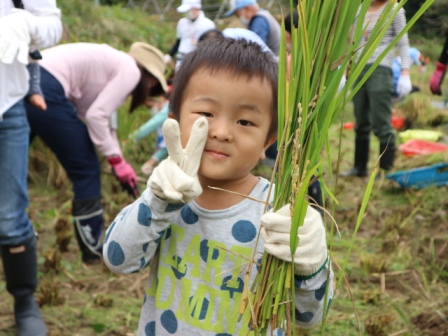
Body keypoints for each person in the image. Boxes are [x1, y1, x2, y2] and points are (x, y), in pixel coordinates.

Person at [103, 37, 333, 335]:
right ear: (173, 122)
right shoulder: (165, 194)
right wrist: (157, 203)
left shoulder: (279, 213)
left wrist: (311, 264)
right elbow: (119, 260)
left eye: (245, 122)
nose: (222, 132)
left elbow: (308, 317)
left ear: (268, 141)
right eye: (205, 114)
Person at [25, 42, 168, 264]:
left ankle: (14, 231)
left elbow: (103, 123)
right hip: (45, 87)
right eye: (152, 85)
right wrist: (117, 161)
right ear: (147, 75)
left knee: (11, 165)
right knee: (86, 168)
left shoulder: (114, 63)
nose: (149, 90)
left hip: (25, 78)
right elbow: (95, 116)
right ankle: (92, 249)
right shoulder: (129, 69)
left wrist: (119, 160)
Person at [0, 1, 62, 335]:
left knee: (10, 216)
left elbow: (52, 25)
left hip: (5, 105)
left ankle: (24, 300)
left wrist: (24, 22)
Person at [340, 0, 413, 178]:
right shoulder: (358, 10)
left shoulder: (394, 10)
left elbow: (403, 43)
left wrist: (405, 71)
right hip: (359, 67)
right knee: (361, 119)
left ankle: (385, 170)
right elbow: (353, 41)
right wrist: (345, 69)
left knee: (381, 121)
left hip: (381, 67)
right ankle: (360, 167)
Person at [163, 0, 215, 69]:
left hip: (199, 60)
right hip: (181, 59)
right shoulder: (182, 22)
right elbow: (178, 41)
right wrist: (169, 55)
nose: (186, 13)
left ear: (196, 8)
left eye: (188, 10)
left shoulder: (208, 24)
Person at [131, 97, 170, 176]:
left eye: (150, 107)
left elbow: (152, 124)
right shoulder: (164, 124)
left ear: (158, 101)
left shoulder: (169, 108)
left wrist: (132, 138)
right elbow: (167, 145)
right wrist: (151, 162)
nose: (151, 110)